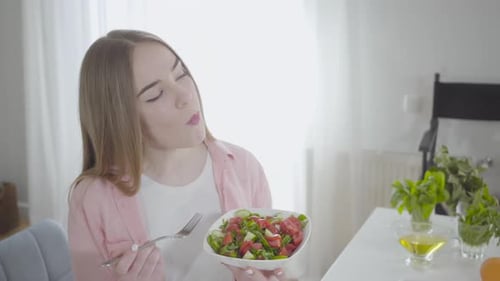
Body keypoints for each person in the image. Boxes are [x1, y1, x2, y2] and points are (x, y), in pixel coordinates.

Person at [67, 29, 288, 281]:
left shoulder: (244, 168)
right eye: (155, 94)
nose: (186, 95)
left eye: (181, 74)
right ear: (121, 119)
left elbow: (274, 266)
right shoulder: (92, 199)